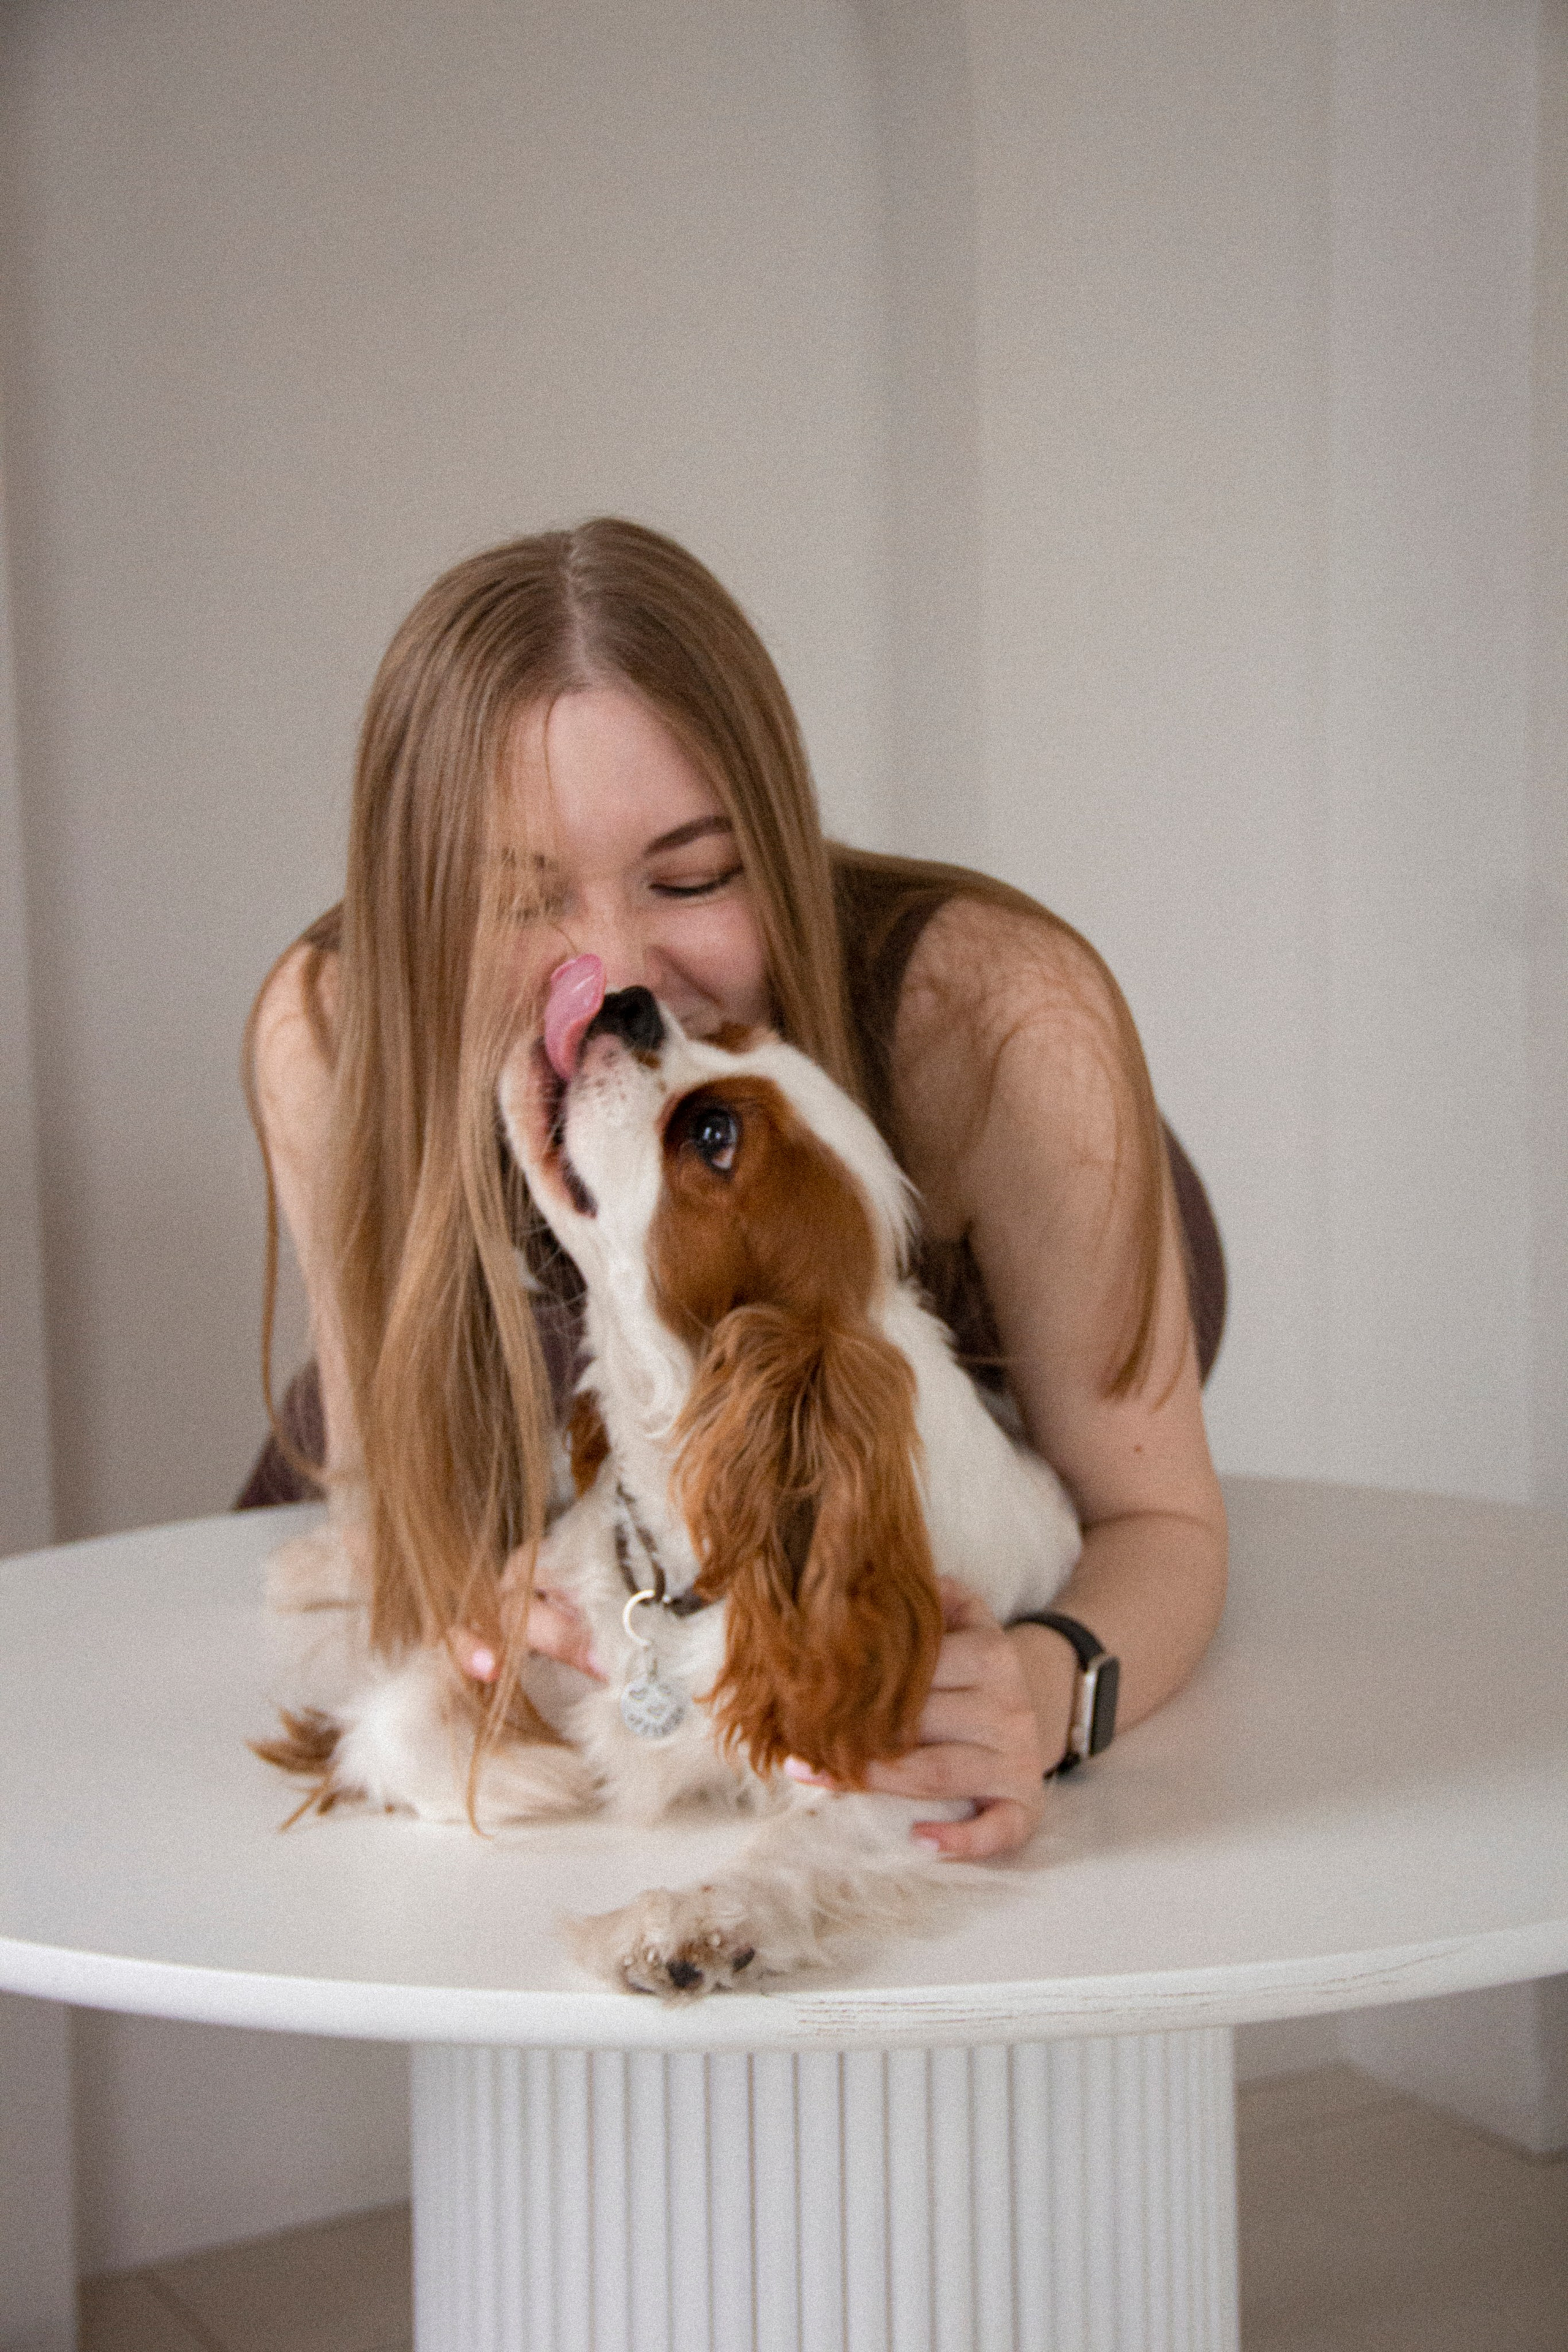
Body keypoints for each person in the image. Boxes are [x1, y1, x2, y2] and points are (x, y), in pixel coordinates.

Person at [246, 516, 1227, 1861]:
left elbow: (1156, 1520)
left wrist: (1040, 1695)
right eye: (520, 901)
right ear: (420, 909)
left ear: (778, 843)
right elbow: (386, 1505)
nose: (614, 975)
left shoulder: (992, 1018)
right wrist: (463, 1598)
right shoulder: (332, 1027)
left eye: (692, 877)